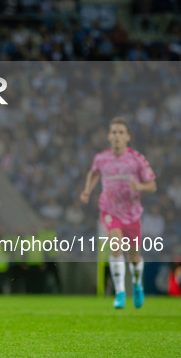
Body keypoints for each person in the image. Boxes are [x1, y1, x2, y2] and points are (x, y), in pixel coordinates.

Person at [80, 116, 157, 309]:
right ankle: (120, 293)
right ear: (108, 136)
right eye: (113, 132)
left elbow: (152, 186)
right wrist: (87, 190)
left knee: (134, 257)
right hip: (109, 209)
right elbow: (94, 172)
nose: (117, 136)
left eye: (121, 133)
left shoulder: (136, 159)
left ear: (128, 137)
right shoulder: (101, 158)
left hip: (131, 213)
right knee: (116, 245)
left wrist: (139, 185)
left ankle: (137, 285)